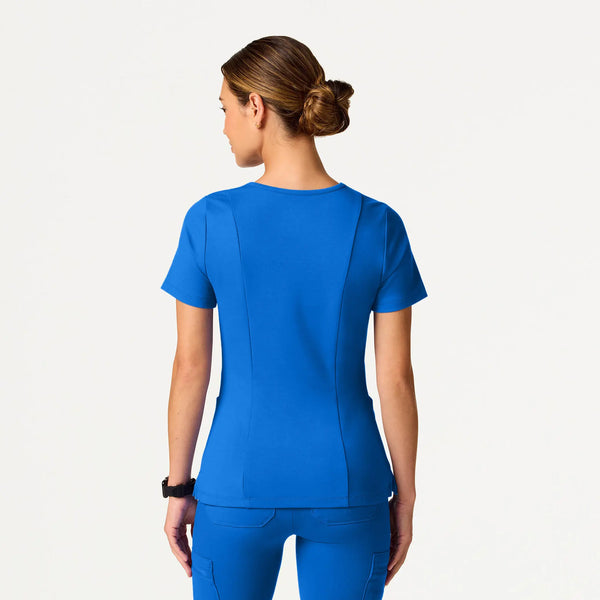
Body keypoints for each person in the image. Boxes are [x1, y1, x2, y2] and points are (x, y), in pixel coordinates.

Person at [160, 35, 428, 600]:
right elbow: (396, 379)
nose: (224, 126)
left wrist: (178, 488)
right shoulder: (378, 225)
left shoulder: (210, 220)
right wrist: (404, 498)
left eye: (225, 109)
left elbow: (190, 367)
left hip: (236, 482)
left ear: (256, 107)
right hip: (350, 483)